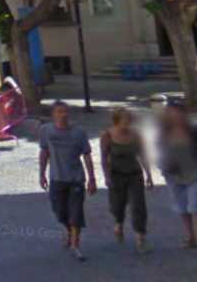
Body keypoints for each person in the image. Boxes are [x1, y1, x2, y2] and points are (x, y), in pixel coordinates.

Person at [38, 100, 98, 261]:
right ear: (53, 114)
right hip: (57, 179)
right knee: (59, 211)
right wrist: (42, 173)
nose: (63, 114)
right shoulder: (46, 131)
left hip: (75, 179)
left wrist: (92, 178)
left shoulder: (79, 133)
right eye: (59, 112)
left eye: (65, 111)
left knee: (76, 213)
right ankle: (69, 230)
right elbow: (44, 153)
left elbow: (87, 155)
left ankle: (75, 245)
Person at [157, 101, 197, 253]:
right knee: (181, 207)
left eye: (178, 113)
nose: (175, 117)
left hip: (194, 174)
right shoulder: (164, 133)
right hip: (173, 174)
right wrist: (164, 165)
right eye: (171, 114)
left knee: (195, 207)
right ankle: (190, 236)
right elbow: (161, 152)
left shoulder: (195, 132)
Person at [100, 107, 152, 253]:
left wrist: (149, 175)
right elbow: (104, 158)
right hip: (116, 174)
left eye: (129, 120)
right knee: (117, 205)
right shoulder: (107, 136)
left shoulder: (136, 135)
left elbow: (143, 155)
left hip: (134, 174)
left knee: (138, 206)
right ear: (117, 121)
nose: (127, 123)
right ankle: (118, 222)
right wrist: (106, 176)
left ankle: (140, 237)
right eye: (124, 120)